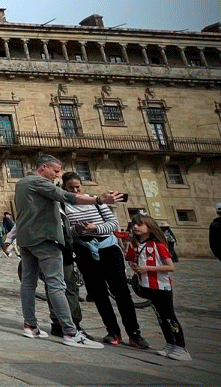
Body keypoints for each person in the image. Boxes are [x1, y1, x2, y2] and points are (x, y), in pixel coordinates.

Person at [14, 153, 120, 348]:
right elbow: (65, 196)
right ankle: (70, 332)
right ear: (43, 167)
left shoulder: (21, 183)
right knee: (56, 284)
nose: (57, 175)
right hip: (45, 238)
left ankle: (30, 325)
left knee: (28, 283)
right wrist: (99, 199)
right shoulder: (39, 182)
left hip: (27, 239)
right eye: (55, 171)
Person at [62, 172, 147, 349]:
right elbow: (66, 230)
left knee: (121, 291)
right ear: (65, 188)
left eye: (78, 186)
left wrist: (96, 228)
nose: (76, 190)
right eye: (71, 188)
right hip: (84, 250)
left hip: (108, 247)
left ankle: (134, 333)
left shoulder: (96, 201)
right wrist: (77, 229)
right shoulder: (63, 205)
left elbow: (112, 224)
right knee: (99, 293)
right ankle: (113, 332)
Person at [126, 216, 189, 360]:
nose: (135, 227)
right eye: (134, 224)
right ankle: (170, 343)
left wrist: (147, 268)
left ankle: (181, 346)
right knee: (160, 317)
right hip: (146, 285)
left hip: (161, 286)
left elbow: (170, 267)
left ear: (149, 226)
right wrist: (134, 267)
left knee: (170, 316)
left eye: (139, 224)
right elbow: (130, 259)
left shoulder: (158, 245)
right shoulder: (134, 245)